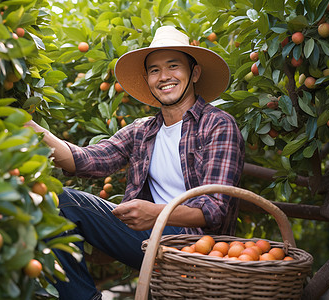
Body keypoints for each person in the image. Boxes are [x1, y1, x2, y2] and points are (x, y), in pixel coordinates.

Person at [26, 26, 245, 299]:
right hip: (148, 240)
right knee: (56, 200)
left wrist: (154, 213)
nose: (164, 76)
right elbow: (87, 160)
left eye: (173, 66)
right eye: (154, 70)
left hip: (196, 247)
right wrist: (29, 127)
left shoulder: (218, 125)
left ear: (194, 73)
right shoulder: (142, 130)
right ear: (148, 79)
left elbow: (214, 210)